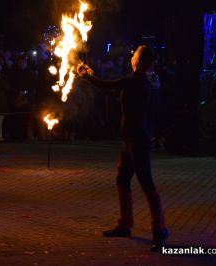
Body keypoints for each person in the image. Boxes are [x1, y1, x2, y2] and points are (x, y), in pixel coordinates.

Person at [78, 45, 169, 251]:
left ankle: (160, 229)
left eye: (134, 55)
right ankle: (125, 224)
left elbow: (106, 85)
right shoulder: (138, 83)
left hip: (138, 141)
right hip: (130, 141)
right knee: (122, 179)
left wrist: (86, 76)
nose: (132, 57)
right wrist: (91, 75)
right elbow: (115, 92)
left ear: (137, 61)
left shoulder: (136, 82)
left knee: (147, 183)